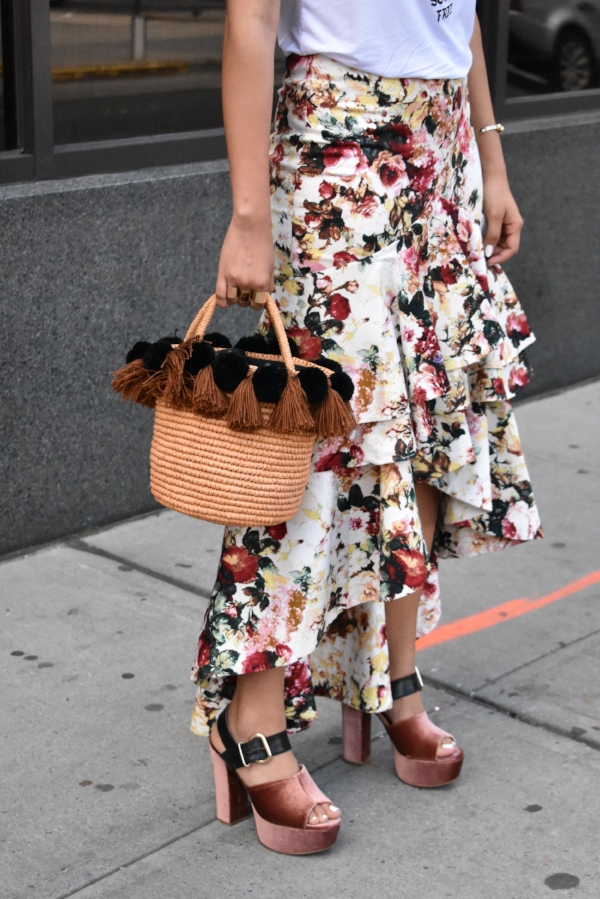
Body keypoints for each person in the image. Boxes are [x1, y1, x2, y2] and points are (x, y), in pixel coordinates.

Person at [190, 0, 542, 855]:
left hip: (441, 153)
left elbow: (452, 17)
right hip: (338, 150)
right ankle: (252, 715)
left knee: (423, 427)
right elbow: (251, 20)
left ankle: (392, 681)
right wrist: (247, 217)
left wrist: (490, 160)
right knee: (314, 444)